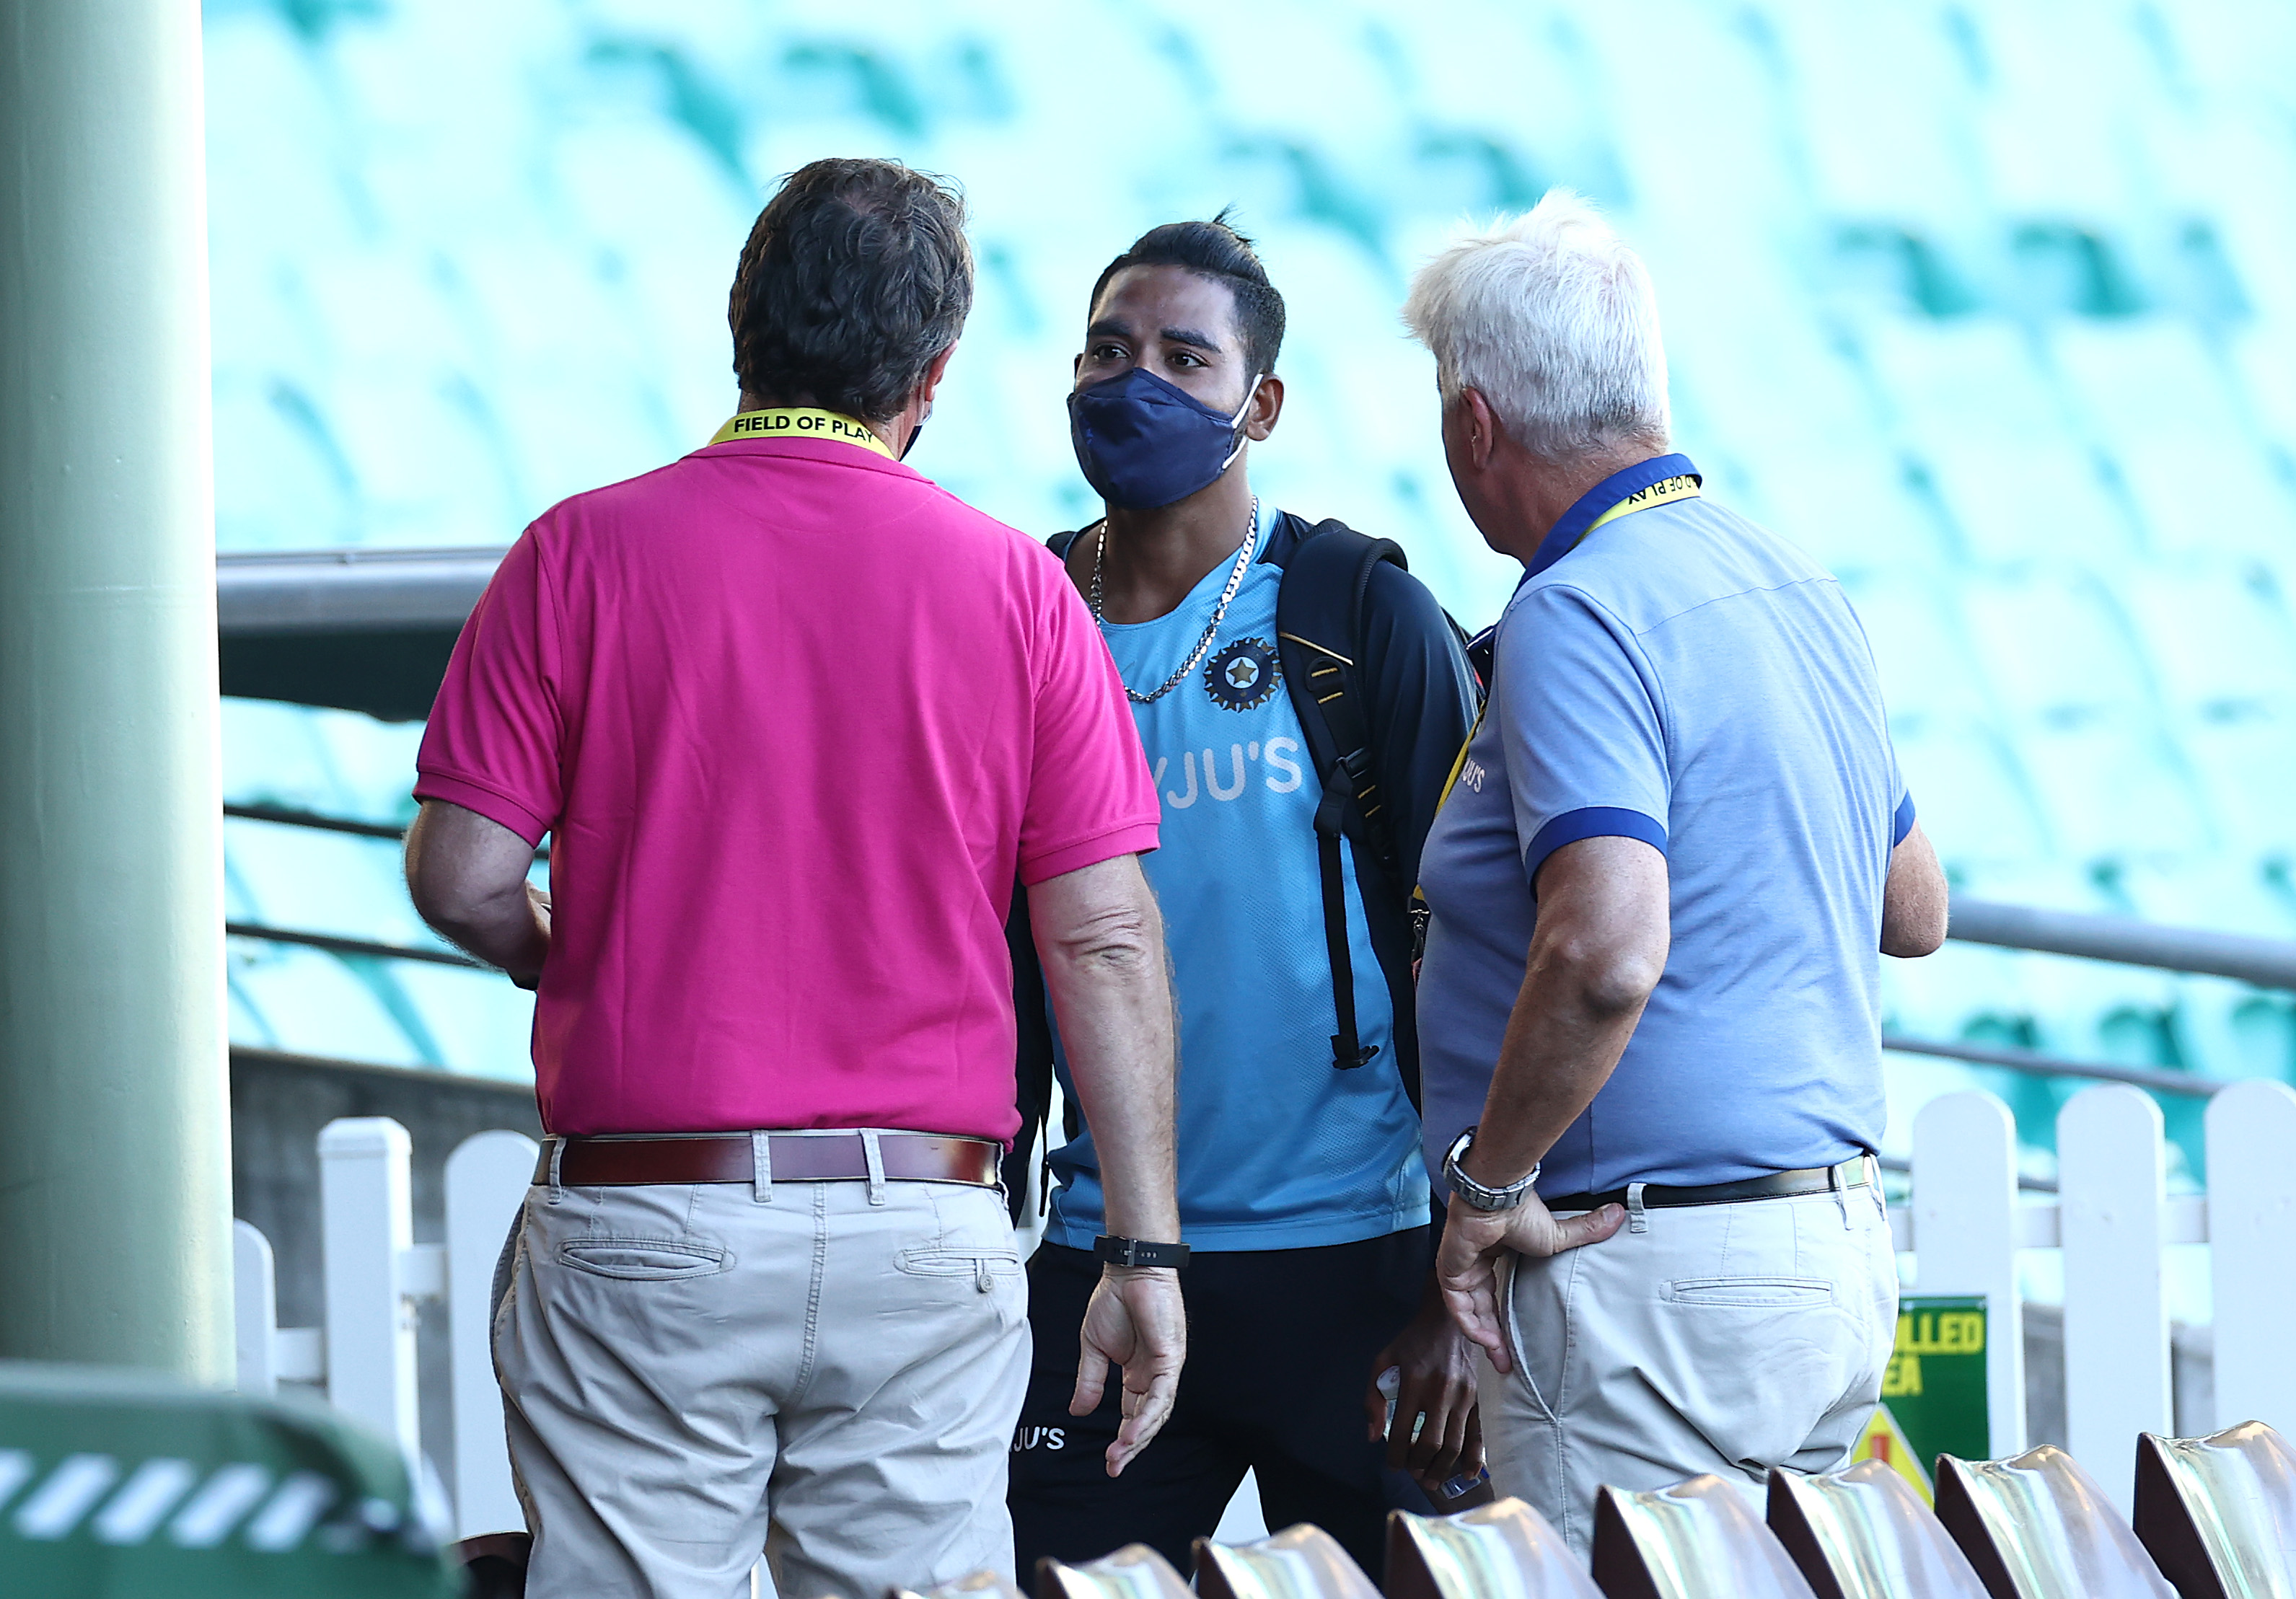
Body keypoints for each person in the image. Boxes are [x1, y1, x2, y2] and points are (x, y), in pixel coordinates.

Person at [401, 158, 1187, 1599]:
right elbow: (1104, 939)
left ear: (736, 322)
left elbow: (459, 874)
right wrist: (1141, 1245)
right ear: (934, 372)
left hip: (651, 1215)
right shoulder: (1019, 588)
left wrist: (552, 946)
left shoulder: (576, 552)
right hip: (919, 1223)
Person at [1402, 190, 1950, 1556]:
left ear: (1477, 424)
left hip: (1645, 1283)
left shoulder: (1577, 605)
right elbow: (1913, 906)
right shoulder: (1792, 580)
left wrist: (1483, 1191)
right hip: (1823, 1249)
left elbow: (1603, 952)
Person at [1005, 217, 1482, 1579]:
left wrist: (1460, 1276)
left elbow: (1467, 933)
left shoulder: (1351, 611)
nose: (1130, 380)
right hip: (1103, 1262)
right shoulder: (1025, 611)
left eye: (1180, 356)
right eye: (1106, 349)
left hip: (1359, 1265)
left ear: (1258, 404)